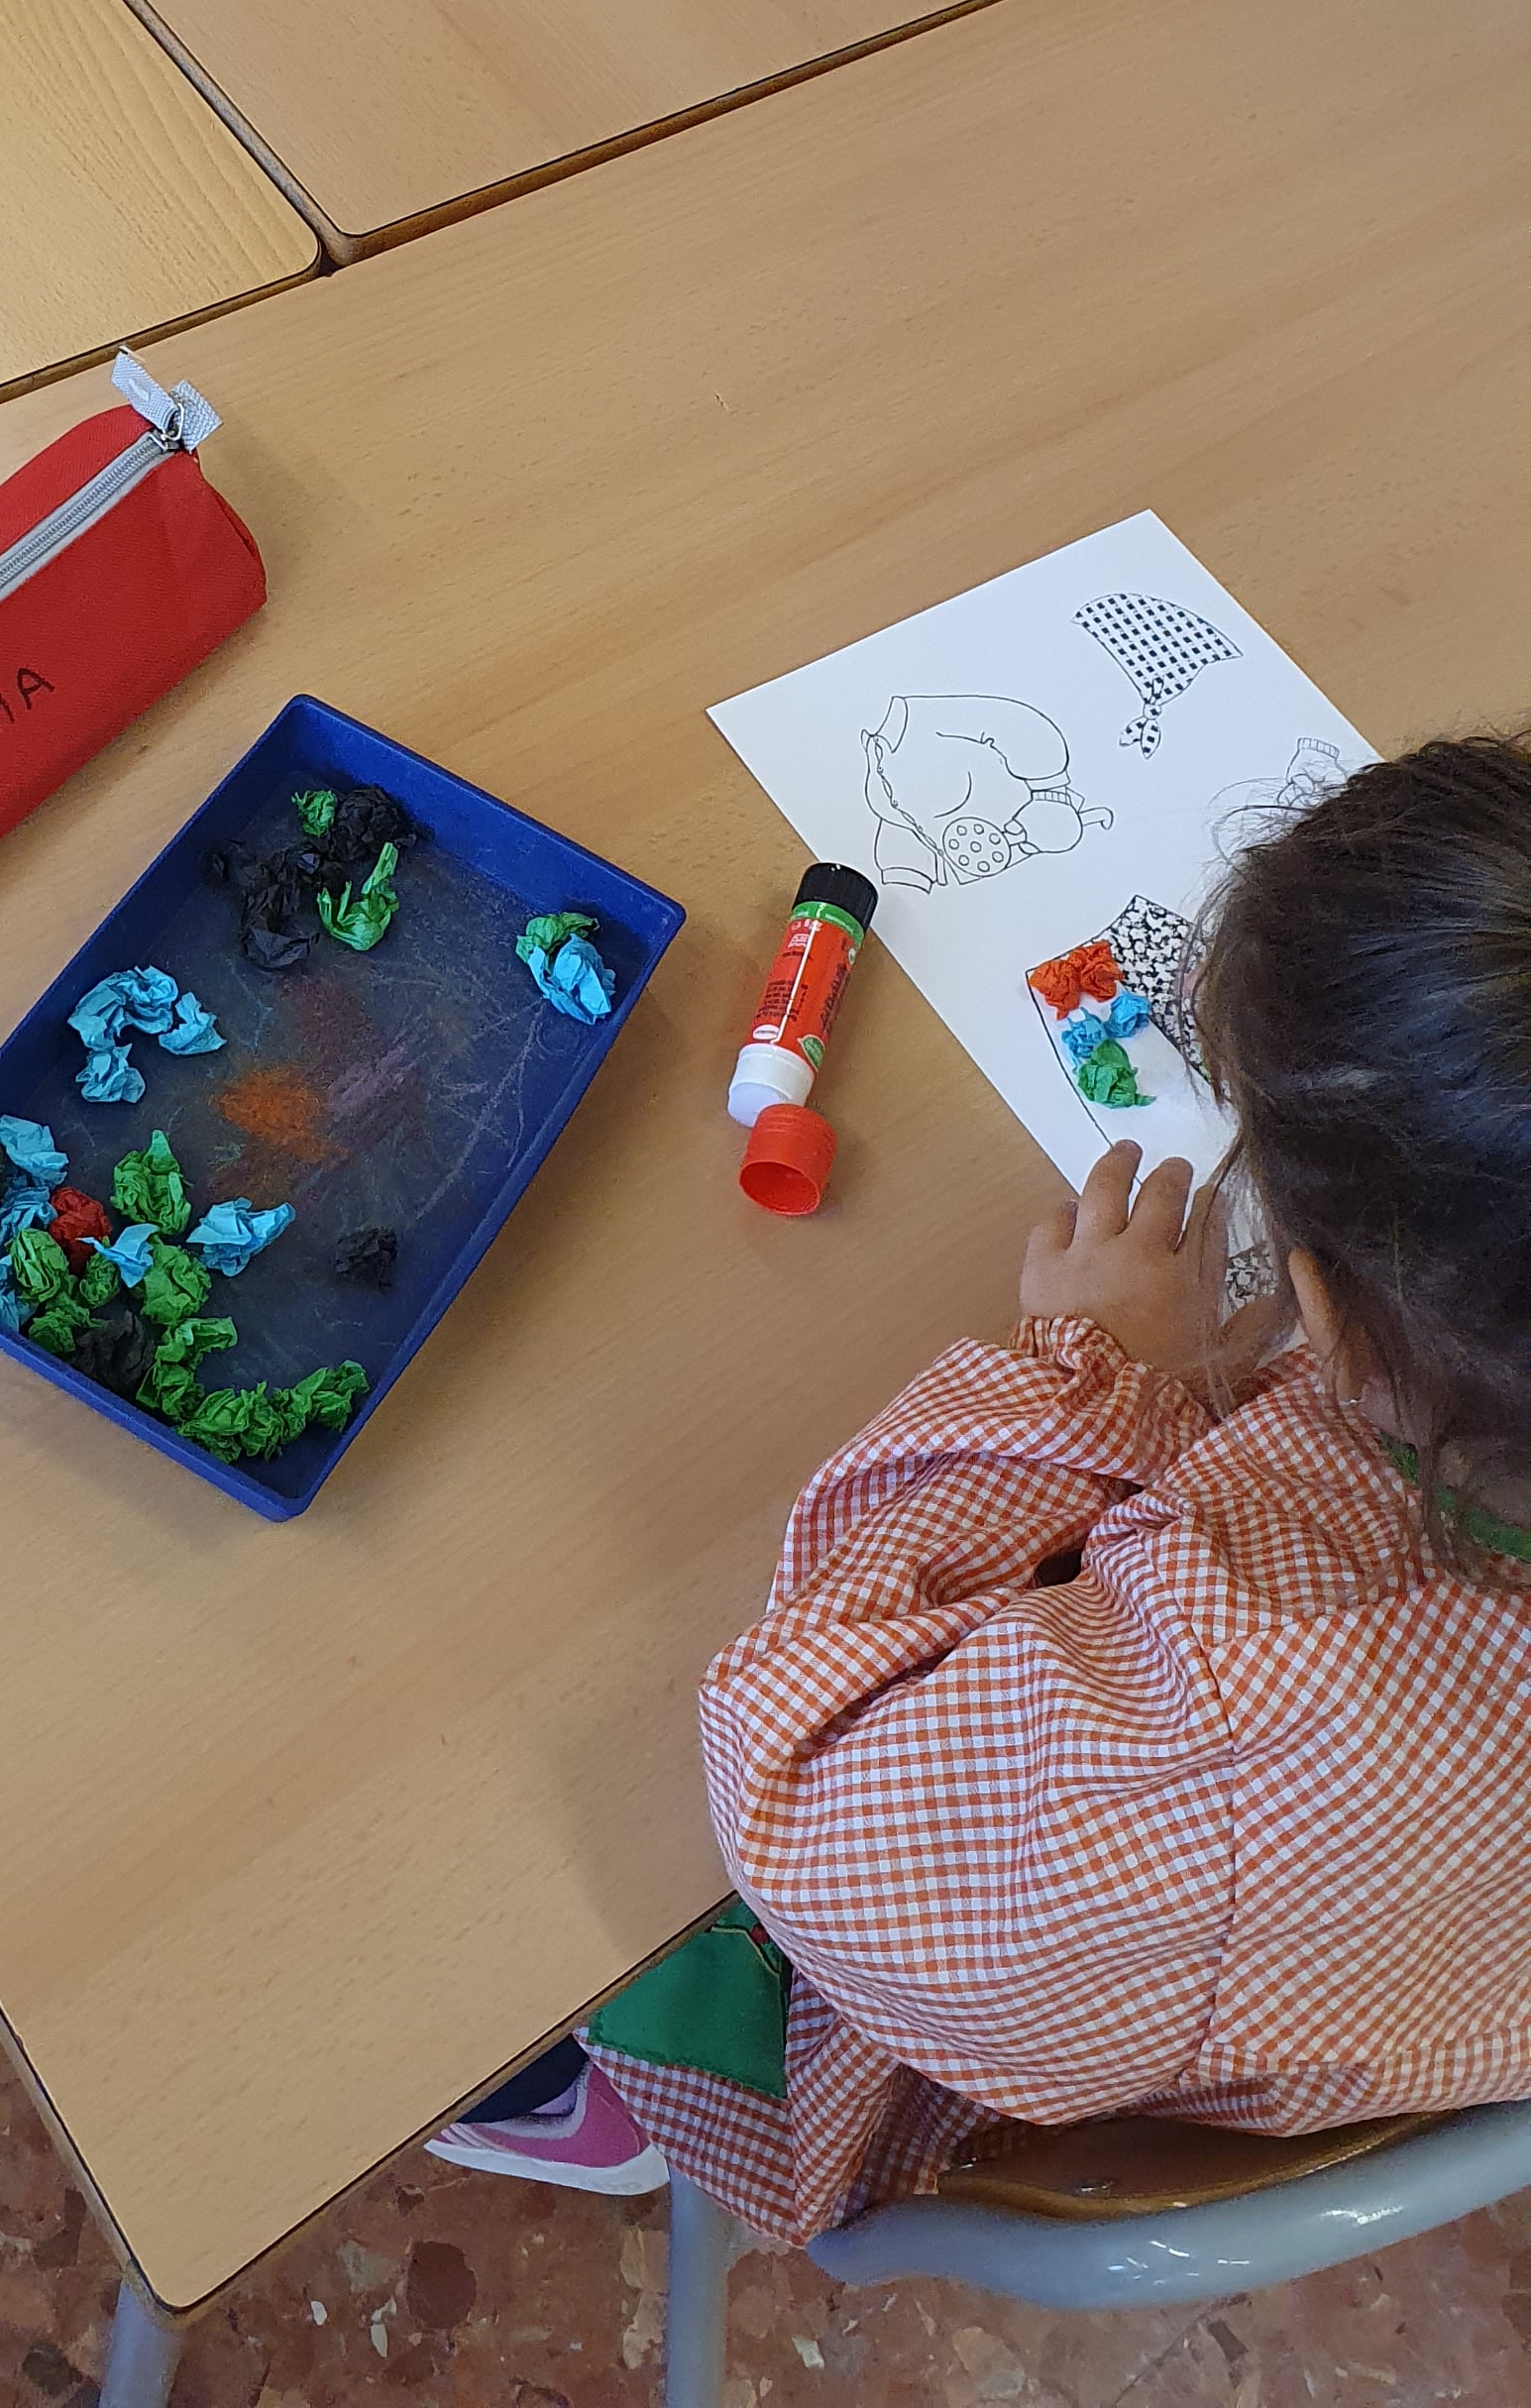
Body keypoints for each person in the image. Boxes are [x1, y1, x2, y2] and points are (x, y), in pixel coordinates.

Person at [432, 734, 1531, 2235]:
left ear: (1328, 1310)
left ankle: (591, 2107)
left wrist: (1095, 1376)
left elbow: (795, 1783)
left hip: (976, 2024)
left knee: (495, 1914)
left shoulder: (1216, 1736)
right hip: (1342, 1980)